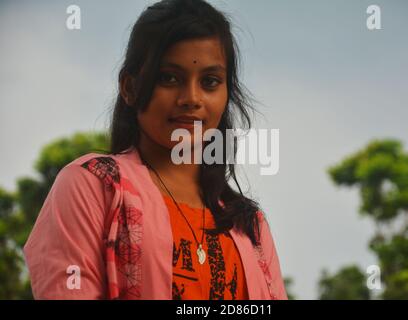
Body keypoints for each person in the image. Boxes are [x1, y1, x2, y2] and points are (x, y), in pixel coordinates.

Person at [23, 0, 288, 300]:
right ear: (130, 87)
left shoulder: (249, 224)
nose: (191, 98)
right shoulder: (92, 186)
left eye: (210, 81)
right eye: (169, 78)